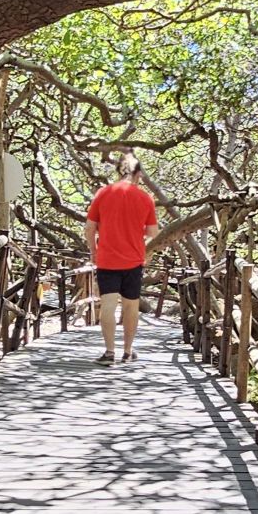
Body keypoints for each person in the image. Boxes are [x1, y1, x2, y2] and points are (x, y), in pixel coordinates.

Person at [84, 153, 159, 364]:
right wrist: (138, 234)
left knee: (108, 304)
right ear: (139, 174)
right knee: (131, 306)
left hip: (107, 258)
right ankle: (127, 350)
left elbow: (89, 228)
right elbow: (153, 232)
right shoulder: (145, 198)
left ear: (119, 171)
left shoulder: (103, 193)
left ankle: (109, 353)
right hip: (134, 260)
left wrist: (93, 250)